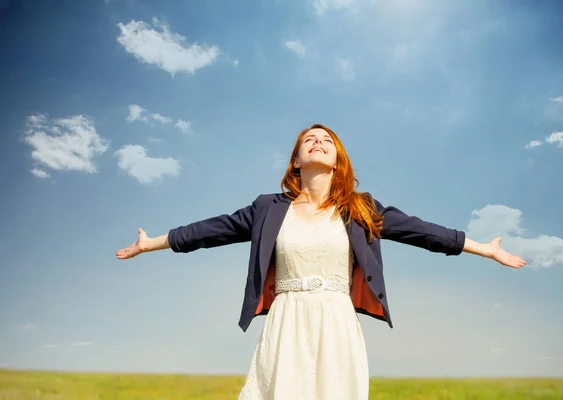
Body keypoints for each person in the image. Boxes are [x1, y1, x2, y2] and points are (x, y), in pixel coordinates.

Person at [115, 123, 526, 400]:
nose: (318, 142)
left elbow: (421, 231)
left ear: (337, 161)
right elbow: (213, 229)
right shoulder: (267, 208)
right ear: (296, 160)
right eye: (308, 140)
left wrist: (483, 248)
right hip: (287, 320)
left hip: (336, 320)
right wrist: (152, 243)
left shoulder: (360, 209)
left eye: (327, 140)